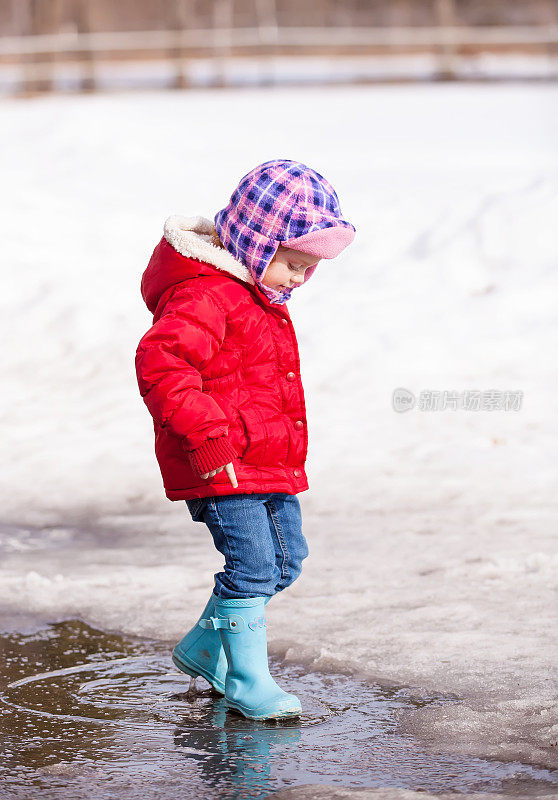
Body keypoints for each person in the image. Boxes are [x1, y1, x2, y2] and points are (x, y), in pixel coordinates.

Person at [135, 159, 356, 720]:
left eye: (311, 267)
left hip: (264, 460)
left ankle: (206, 647)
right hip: (220, 463)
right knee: (254, 567)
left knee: (287, 561)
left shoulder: (257, 294)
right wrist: (209, 441)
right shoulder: (206, 295)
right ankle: (246, 681)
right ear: (257, 246)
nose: (301, 278)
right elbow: (162, 363)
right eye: (293, 263)